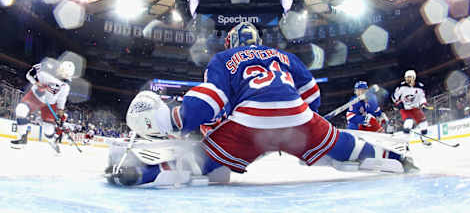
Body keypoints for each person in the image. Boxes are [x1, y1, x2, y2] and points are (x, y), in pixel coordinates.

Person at [107, 23, 417, 187]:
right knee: (343, 143)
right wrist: (299, 120)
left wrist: (169, 119)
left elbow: (206, 104)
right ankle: (394, 158)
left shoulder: (223, 58)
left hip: (249, 124)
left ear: (231, 43)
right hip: (298, 118)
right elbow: (313, 99)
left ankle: (142, 173)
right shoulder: (285, 57)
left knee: (199, 161)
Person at [10, 59, 74, 150]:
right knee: (21, 110)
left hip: (50, 104)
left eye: (67, 75)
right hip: (35, 96)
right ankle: (22, 138)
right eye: (64, 73)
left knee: (48, 129)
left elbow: (61, 100)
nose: (65, 77)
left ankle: (52, 142)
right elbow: (30, 74)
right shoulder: (46, 68)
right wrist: (36, 83)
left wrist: (61, 116)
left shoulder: (65, 86)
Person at [392, 70, 431, 146]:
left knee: (424, 124)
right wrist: (398, 104)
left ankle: (424, 140)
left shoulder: (419, 87)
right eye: (406, 77)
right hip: (406, 109)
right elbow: (394, 97)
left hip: (415, 108)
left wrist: (423, 104)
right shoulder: (401, 87)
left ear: (414, 77)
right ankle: (406, 145)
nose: (408, 79)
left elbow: (422, 98)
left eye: (409, 77)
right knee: (408, 123)